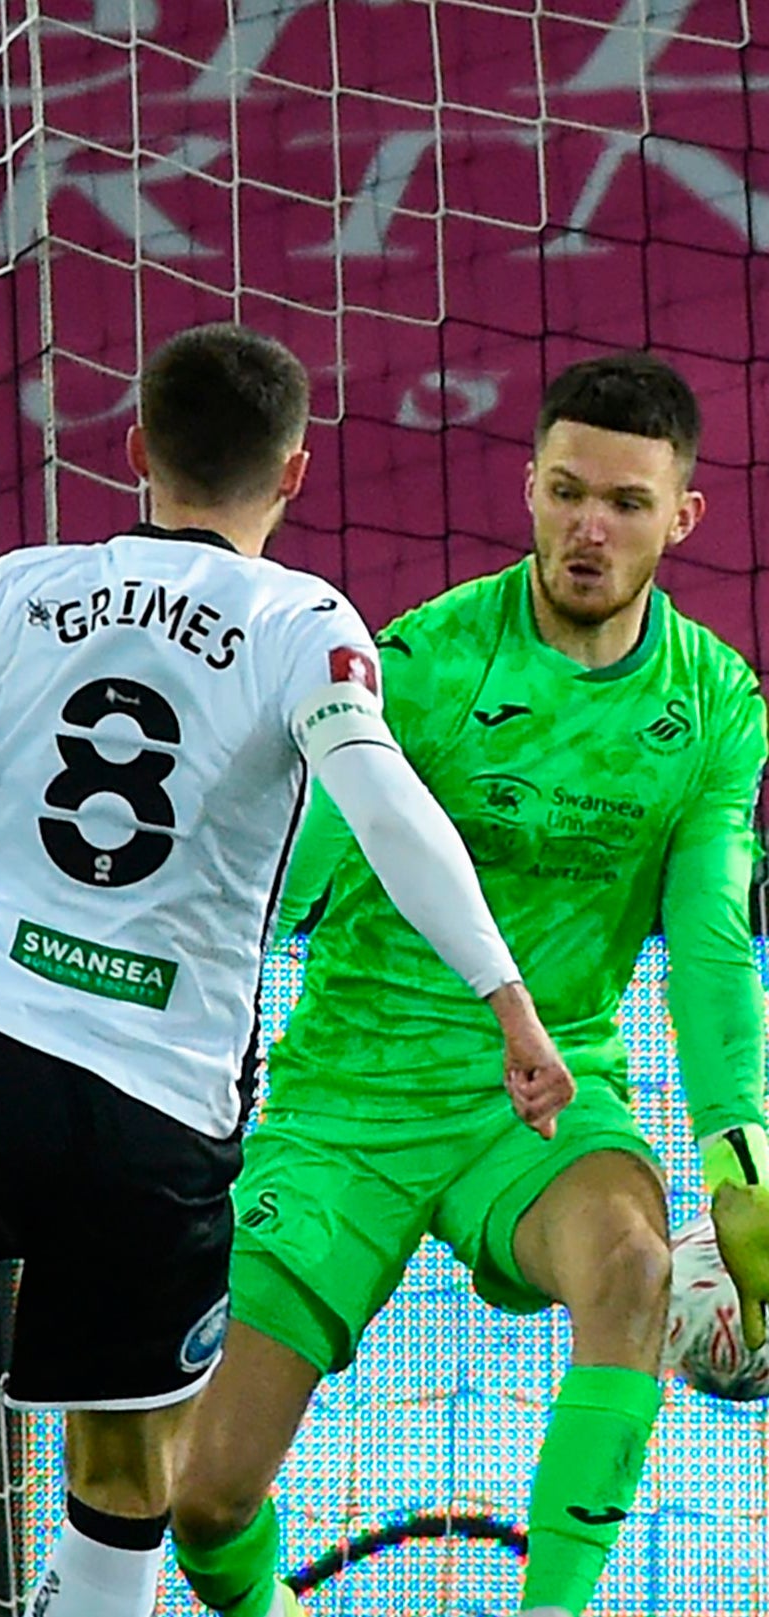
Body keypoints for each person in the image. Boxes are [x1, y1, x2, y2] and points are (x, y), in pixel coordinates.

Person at [0, 322, 572, 1617]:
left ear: (134, 452)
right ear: (293, 474)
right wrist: (506, 999)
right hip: (155, 1103)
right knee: (127, 1460)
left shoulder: (18, 588)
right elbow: (389, 808)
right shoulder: (306, 622)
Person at [168, 350, 769, 1617]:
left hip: (542, 1100)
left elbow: (711, 934)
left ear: (683, 516)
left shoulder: (716, 704)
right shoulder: (424, 664)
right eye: (564, 493)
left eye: (623, 502)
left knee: (634, 1265)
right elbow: (290, 887)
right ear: (529, 488)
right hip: (349, 1103)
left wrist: (738, 1147)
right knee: (205, 1500)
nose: (587, 528)